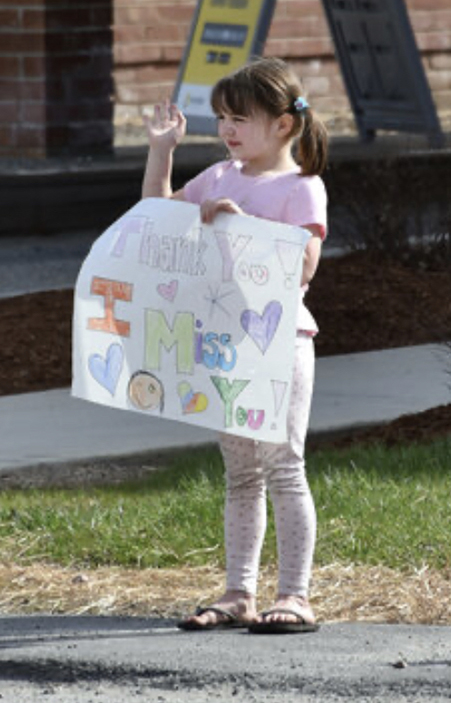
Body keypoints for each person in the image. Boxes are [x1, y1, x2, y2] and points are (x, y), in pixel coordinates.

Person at [142, 56, 328, 634]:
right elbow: (155, 215)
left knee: (283, 466)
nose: (227, 128)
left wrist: (238, 224)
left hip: (280, 343)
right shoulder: (220, 176)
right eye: (223, 116)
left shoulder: (302, 187)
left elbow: (303, 267)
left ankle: (294, 595)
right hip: (224, 345)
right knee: (240, 472)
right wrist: (161, 150)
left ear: (283, 124)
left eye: (240, 117)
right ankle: (237, 593)